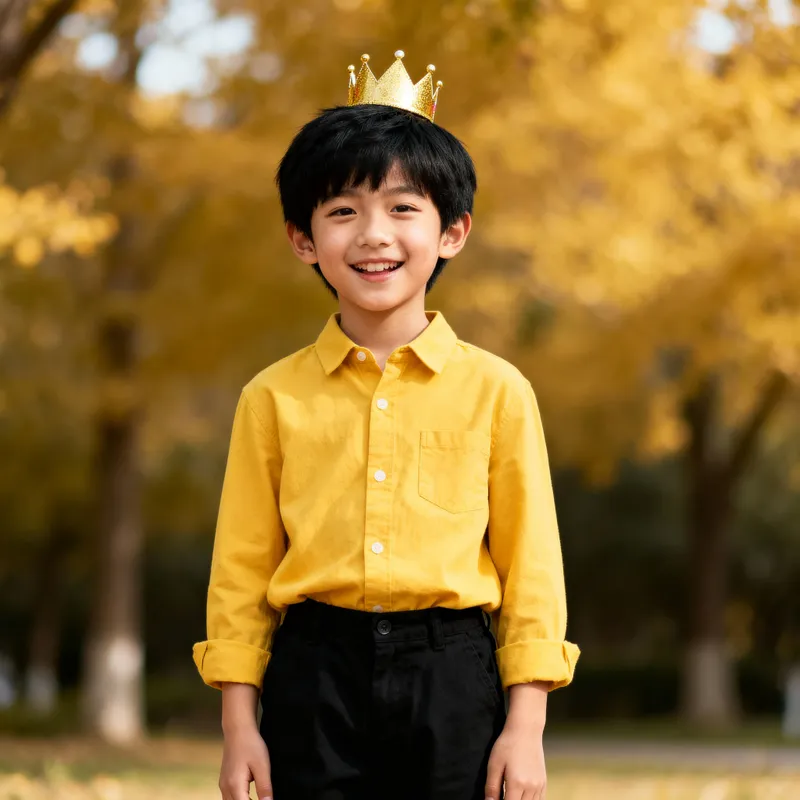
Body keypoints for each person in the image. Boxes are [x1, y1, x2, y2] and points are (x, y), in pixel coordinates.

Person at [193, 50, 580, 800]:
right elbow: (239, 571)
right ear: (304, 240)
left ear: (452, 232)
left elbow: (533, 566)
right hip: (313, 675)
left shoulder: (498, 390)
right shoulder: (270, 398)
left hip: (453, 676)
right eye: (342, 211)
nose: (374, 233)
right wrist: (240, 726)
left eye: (404, 208)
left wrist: (525, 727)